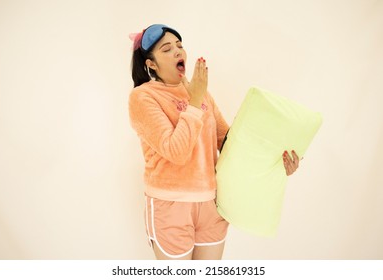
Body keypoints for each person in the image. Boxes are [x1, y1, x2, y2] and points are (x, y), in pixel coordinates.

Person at [128, 24, 300, 260]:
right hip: (171, 205)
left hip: (211, 204)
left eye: (180, 45)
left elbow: (229, 144)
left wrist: (275, 161)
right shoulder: (143, 97)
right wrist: (195, 100)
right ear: (151, 64)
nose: (178, 52)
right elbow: (175, 151)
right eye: (167, 49)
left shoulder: (202, 93)